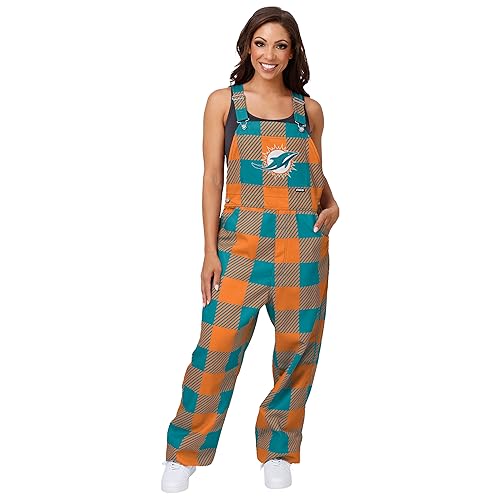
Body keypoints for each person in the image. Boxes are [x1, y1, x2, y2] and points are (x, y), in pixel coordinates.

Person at [161, 6, 340, 493]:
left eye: (280, 45)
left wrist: (334, 206)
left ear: (293, 52)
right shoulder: (225, 103)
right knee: (215, 351)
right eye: (261, 43)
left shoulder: (309, 111)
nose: (270, 54)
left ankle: (278, 449)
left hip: (303, 249)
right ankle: (184, 453)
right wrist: (209, 251)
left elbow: (317, 179)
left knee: (297, 353)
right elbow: (211, 178)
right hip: (239, 248)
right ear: (246, 46)